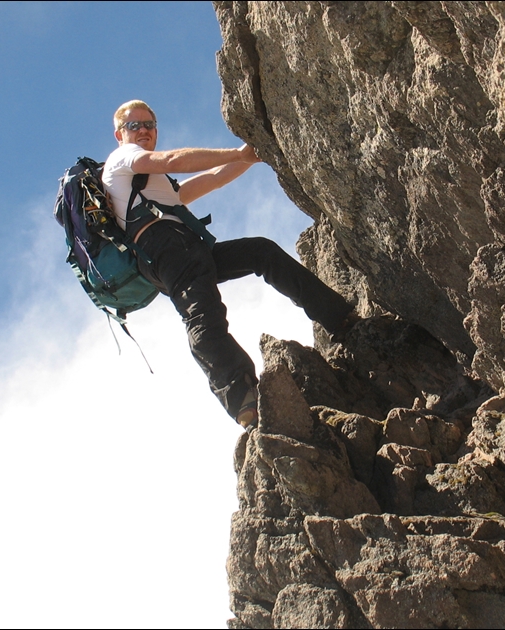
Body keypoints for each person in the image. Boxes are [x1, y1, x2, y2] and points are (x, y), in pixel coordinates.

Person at [102, 100, 357, 428]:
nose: (144, 131)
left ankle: (339, 317)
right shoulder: (124, 158)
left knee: (260, 253)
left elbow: (210, 181)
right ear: (119, 134)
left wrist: (251, 156)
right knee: (202, 316)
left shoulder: (150, 186)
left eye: (150, 125)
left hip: (183, 250)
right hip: (165, 248)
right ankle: (242, 402)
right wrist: (235, 153)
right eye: (134, 125)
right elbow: (171, 160)